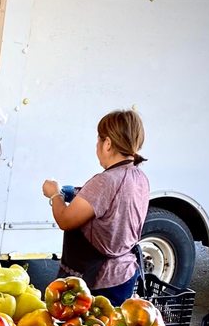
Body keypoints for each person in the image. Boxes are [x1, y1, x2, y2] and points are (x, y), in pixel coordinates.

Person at [42, 109, 149, 302]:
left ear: (107, 143)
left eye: (99, 140)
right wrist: (77, 192)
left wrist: (55, 194)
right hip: (125, 275)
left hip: (98, 282)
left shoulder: (105, 181)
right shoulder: (139, 176)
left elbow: (65, 220)